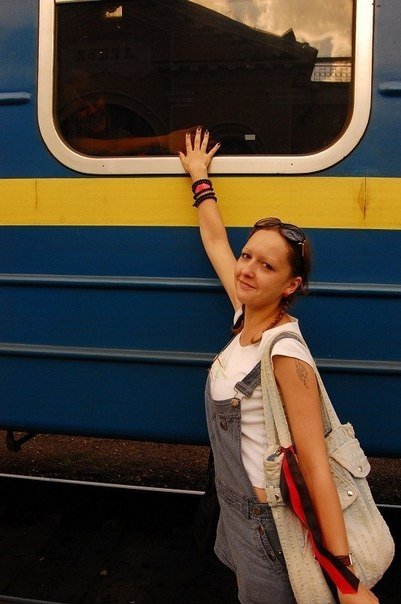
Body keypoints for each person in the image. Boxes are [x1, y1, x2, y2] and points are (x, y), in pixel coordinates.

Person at [179, 128, 379, 604]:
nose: (247, 269)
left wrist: (346, 580)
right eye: (247, 256)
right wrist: (200, 179)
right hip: (235, 513)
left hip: (267, 527)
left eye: (267, 266)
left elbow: (315, 464)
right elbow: (215, 240)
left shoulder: (285, 352)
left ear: (290, 285)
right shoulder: (245, 313)